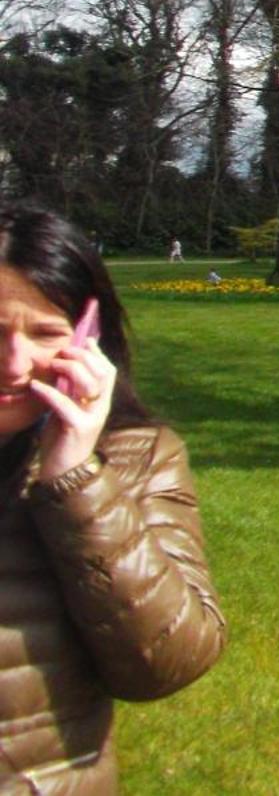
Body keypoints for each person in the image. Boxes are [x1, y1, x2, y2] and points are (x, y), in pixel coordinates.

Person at [0, 204, 227, 790]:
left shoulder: (136, 457)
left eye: (46, 334)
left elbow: (167, 661)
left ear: (89, 338)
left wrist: (75, 476)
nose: (14, 365)